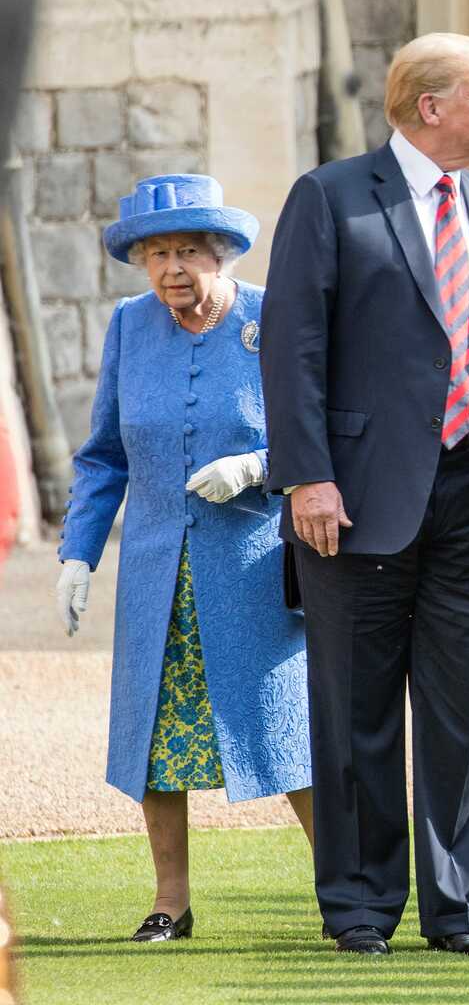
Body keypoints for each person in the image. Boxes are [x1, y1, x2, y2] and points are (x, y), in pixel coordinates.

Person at [260, 33, 469, 956]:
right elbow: (294, 348)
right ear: (429, 104)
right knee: (355, 709)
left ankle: (457, 910)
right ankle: (359, 908)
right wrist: (306, 475)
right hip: (354, 499)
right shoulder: (329, 197)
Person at [56, 174, 313, 943]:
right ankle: (171, 902)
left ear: (223, 254)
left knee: (290, 729)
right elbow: (103, 456)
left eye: (190, 251)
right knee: (154, 738)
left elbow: (327, 429)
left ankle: (349, 893)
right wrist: (78, 555)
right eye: (158, 253)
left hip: (256, 566)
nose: (174, 267)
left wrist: (259, 467)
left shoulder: (275, 318)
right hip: (155, 571)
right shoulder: (131, 327)